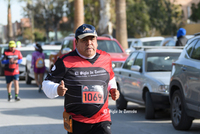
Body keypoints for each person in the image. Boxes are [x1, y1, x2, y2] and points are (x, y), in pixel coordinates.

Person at [42, 24, 120, 134]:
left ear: (96, 41)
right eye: (84, 40)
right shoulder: (65, 61)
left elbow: (110, 77)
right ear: (76, 42)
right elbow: (46, 83)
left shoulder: (106, 58)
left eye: (92, 39)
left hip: (102, 119)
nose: (89, 43)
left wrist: (113, 89)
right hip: (76, 122)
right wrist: (56, 90)